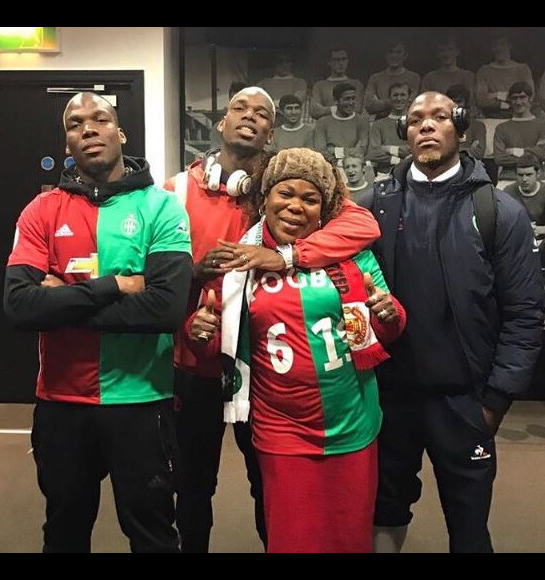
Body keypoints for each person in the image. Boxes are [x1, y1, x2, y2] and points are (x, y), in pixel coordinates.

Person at [164, 87, 382, 553]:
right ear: (221, 122)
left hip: (258, 371)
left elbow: (362, 225)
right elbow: (158, 273)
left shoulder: (286, 185)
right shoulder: (177, 190)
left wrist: (281, 255)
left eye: (262, 113)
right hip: (196, 361)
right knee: (192, 486)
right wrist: (201, 272)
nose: (250, 117)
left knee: (269, 487)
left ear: (271, 131)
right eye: (240, 108)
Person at [3, 92, 193, 553]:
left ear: (120, 132)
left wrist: (61, 299)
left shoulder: (162, 207)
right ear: (67, 142)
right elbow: (20, 307)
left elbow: (165, 310)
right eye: (75, 124)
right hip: (62, 403)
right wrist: (114, 287)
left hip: (141, 401)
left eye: (99, 119)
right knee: (64, 530)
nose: (88, 129)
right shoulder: (40, 212)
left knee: (152, 533)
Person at [357, 91, 545, 553]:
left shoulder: (500, 212)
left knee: (468, 524)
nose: (426, 125)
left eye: (439, 117)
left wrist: (497, 399)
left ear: (460, 130)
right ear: (404, 133)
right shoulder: (372, 208)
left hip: (465, 400)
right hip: (389, 398)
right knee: (383, 510)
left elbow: (524, 313)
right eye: (416, 118)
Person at [504, 153, 545, 292]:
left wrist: (542, 230)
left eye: (528, 174)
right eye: (520, 175)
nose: (524, 179)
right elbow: (503, 223)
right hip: (518, 240)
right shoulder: (509, 191)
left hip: (543, 241)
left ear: (538, 173)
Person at [493, 81, 545, 189]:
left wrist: (517, 151)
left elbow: (542, 155)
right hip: (507, 179)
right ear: (510, 100)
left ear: (530, 98)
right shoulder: (502, 128)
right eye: (514, 98)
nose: (518, 102)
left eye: (522, 97)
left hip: (536, 179)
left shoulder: (543, 126)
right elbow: (499, 158)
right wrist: (532, 157)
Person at [475, 30, 534, 119]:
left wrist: (494, 95)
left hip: (519, 118)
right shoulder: (484, 71)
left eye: (502, 44)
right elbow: (481, 100)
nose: (499, 48)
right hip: (492, 118)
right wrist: (502, 101)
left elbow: (530, 96)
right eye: (495, 45)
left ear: (509, 46)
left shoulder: (523, 69)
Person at [363, 39, 421, 121]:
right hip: (381, 121)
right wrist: (398, 102)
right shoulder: (375, 78)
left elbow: (412, 105)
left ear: (405, 55)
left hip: (406, 121)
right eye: (390, 52)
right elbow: (369, 105)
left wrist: (381, 103)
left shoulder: (414, 78)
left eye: (398, 52)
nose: (394, 55)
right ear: (385, 55)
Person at [314, 82, 370, 164]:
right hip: (331, 167)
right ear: (336, 101)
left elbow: (361, 151)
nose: (351, 103)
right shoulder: (322, 122)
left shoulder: (362, 121)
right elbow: (320, 151)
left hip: (353, 167)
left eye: (353, 98)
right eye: (347, 99)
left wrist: (335, 150)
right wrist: (346, 154)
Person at [366, 81, 411, 179]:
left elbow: (414, 150)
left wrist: (388, 148)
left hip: (410, 173)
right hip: (386, 176)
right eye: (395, 95)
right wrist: (398, 160)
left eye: (403, 95)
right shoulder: (378, 124)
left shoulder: (415, 122)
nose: (399, 99)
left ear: (409, 98)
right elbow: (373, 153)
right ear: (389, 98)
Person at [420, 36, 475, 111]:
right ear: (437, 54)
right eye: (442, 50)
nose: (446, 54)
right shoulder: (429, 78)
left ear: (457, 51)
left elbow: (471, 102)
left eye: (450, 49)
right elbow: (424, 103)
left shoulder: (468, 76)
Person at [310, 47, 364, 120]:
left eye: (343, 59)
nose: (341, 63)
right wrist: (342, 108)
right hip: (327, 126)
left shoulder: (356, 84)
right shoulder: (319, 86)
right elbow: (315, 111)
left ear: (347, 61)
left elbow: (356, 110)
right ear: (329, 62)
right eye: (336, 60)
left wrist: (327, 109)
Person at [445, 84, 486, 160]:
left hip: (469, 167)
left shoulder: (478, 126)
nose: (455, 105)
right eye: (452, 102)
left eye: (459, 101)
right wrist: (468, 150)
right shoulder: (440, 125)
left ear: (466, 103)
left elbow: (478, 153)